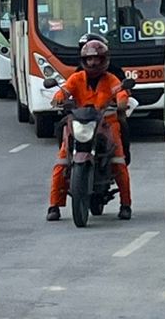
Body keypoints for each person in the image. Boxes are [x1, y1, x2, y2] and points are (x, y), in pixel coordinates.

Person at [47, 37, 133, 222]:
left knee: (118, 162)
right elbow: (64, 91)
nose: (93, 63)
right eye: (89, 59)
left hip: (106, 123)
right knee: (62, 161)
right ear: (84, 61)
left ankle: (125, 204)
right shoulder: (76, 78)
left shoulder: (111, 79)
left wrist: (121, 102)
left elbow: (121, 92)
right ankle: (54, 205)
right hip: (79, 123)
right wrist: (58, 98)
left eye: (97, 59)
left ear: (104, 60)